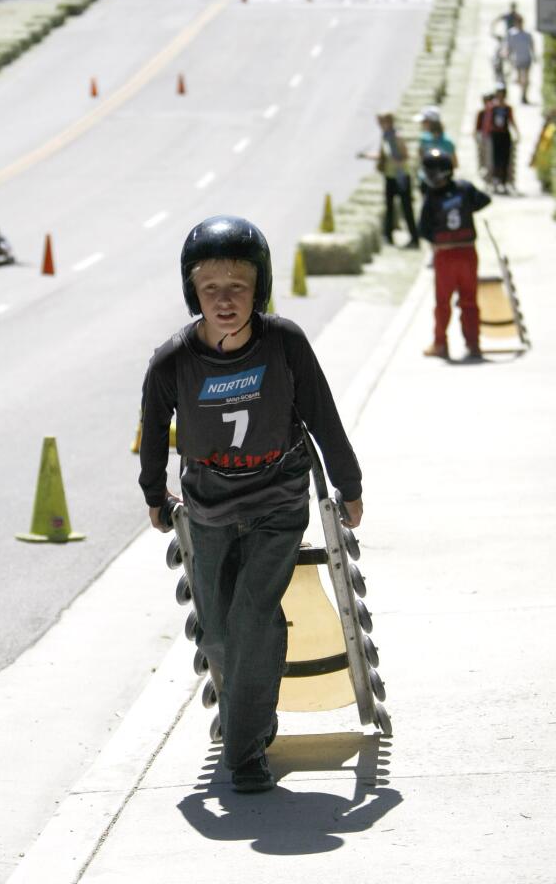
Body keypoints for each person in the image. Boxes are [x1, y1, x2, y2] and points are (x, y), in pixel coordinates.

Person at [138, 215, 363, 793]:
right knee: (217, 631)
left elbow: (322, 413)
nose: (225, 299)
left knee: (252, 617)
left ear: (258, 287)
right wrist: (152, 492)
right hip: (209, 503)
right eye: (210, 287)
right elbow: (154, 423)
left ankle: (244, 755)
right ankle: (255, 725)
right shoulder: (173, 360)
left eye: (238, 285)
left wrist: (349, 483)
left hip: (277, 497)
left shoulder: (283, 342)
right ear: (193, 292)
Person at [418, 149, 491, 360]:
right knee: (469, 300)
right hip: (468, 252)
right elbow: (484, 200)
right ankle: (473, 343)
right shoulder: (464, 188)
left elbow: (423, 228)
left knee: (443, 302)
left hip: (445, 255)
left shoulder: (432, 197)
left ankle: (440, 343)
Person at [361, 112, 419, 247]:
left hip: (401, 176)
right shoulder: (385, 137)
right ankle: (388, 236)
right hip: (389, 176)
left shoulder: (397, 137)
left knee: (406, 208)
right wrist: (367, 156)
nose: (380, 125)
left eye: (381, 122)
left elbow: (405, 156)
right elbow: (382, 157)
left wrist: (397, 160)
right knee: (389, 208)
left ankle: (414, 237)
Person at [486, 85, 519, 191]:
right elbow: (488, 121)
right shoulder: (492, 107)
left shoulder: (507, 108)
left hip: (504, 135)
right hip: (495, 135)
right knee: (495, 158)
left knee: (505, 159)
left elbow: (511, 120)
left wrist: (517, 132)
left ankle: (504, 182)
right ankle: (495, 181)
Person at [505, 16, 535, 103]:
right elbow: (509, 47)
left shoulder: (527, 35)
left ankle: (524, 95)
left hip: (526, 58)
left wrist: (534, 56)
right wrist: (508, 56)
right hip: (517, 59)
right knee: (521, 79)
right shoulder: (511, 34)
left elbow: (532, 45)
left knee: (525, 78)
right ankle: (522, 92)